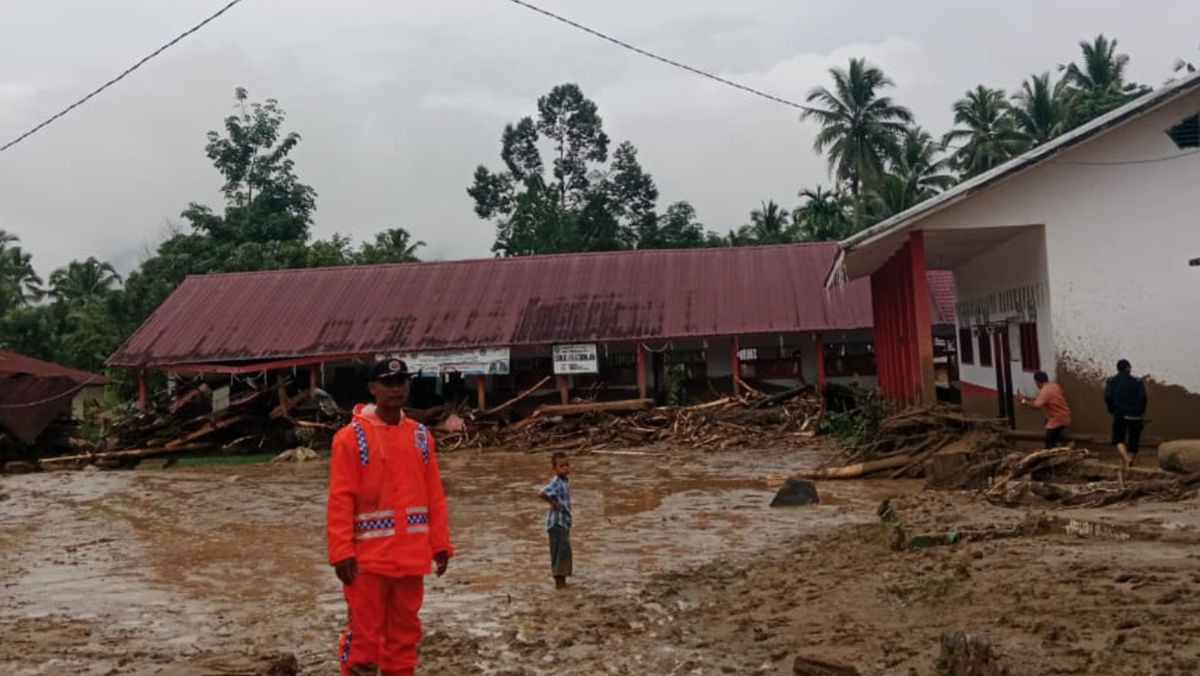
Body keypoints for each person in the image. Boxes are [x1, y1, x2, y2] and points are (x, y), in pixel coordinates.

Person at [327, 359, 453, 676]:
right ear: (373, 388)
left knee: (405, 635)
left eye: (401, 382)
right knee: (363, 637)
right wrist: (341, 552)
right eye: (388, 383)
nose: (396, 389)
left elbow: (434, 494)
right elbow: (340, 498)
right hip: (367, 560)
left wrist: (440, 544)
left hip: (411, 557)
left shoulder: (421, 437)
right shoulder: (350, 438)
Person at [538, 451, 573, 590]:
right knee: (559, 553)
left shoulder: (565, 481)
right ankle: (560, 584)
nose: (565, 468)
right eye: (561, 466)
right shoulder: (557, 482)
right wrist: (552, 502)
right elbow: (541, 493)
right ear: (554, 468)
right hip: (556, 524)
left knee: (564, 552)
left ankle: (562, 583)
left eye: (567, 465)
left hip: (563, 523)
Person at [1105, 359, 1148, 466]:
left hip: (1120, 414)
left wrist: (1112, 410)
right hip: (1135, 416)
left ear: (1118, 369)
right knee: (1134, 440)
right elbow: (1143, 399)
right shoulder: (1137, 381)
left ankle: (1126, 458)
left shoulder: (1111, 381)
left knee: (1118, 439)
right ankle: (1130, 460)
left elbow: (1108, 397)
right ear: (1128, 368)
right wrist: (1141, 413)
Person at [1018, 371, 1072, 448]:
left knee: (1049, 442)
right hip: (1064, 417)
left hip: (1056, 420)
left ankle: (1059, 450)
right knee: (1054, 436)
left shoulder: (1045, 391)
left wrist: (1023, 401)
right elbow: (1041, 399)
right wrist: (1025, 398)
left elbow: (1037, 406)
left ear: (1038, 382)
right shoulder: (1054, 386)